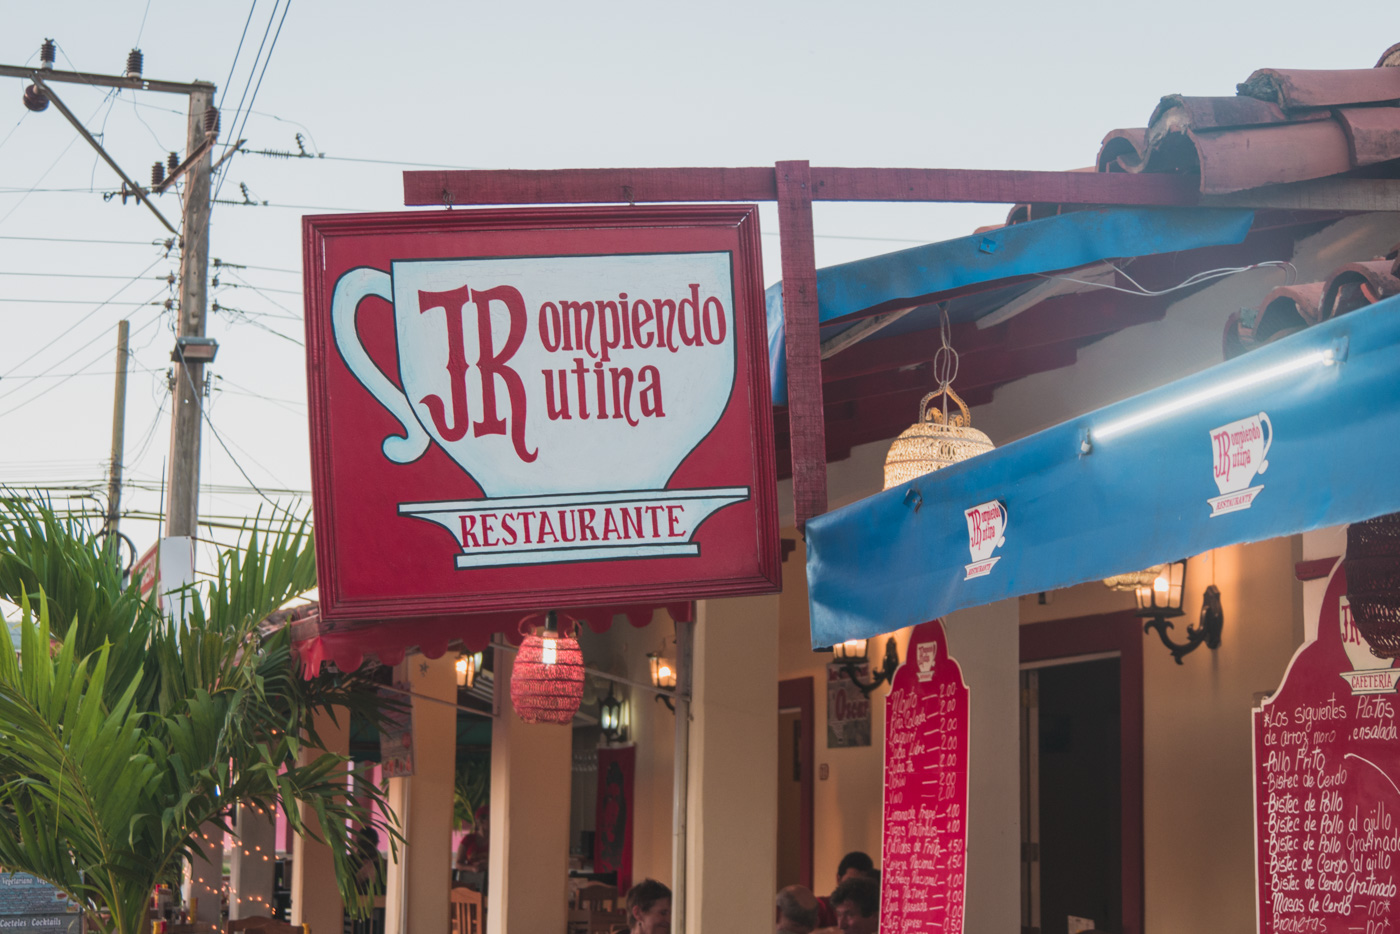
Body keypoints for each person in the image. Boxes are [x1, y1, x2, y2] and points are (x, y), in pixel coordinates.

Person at [817, 852, 876, 927]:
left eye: (861, 884)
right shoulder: (821, 906)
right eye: (850, 881)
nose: (855, 888)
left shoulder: (870, 911)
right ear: (838, 879)